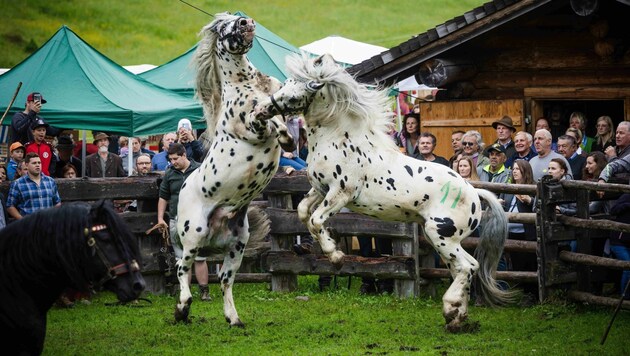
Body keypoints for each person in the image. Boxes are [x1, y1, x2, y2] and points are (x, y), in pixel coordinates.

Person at [157, 143, 210, 301]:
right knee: (182, 258)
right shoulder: (169, 173)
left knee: (200, 257)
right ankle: (185, 291)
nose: (173, 162)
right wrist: (160, 218)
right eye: (170, 159)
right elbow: (163, 196)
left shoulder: (200, 169)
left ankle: (204, 291)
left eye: (175, 158)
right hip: (176, 219)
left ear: (184, 155)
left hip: (198, 218)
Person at [499, 160, 537, 301]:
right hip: (511, 232)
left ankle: (531, 294)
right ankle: (522, 292)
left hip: (527, 233)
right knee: (516, 263)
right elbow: (505, 207)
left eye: (518, 169)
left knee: (529, 264)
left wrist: (530, 201)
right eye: (513, 169)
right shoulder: (509, 189)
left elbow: (540, 207)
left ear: (525, 171)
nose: (514, 171)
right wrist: (499, 204)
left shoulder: (533, 187)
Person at [6, 152, 61, 220]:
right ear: (27, 165)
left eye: (39, 163)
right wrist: (22, 220)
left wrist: (53, 218)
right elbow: (10, 206)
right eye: (34, 163)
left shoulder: (50, 181)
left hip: (48, 224)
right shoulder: (18, 183)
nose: (37, 165)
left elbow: (57, 202)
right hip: (28, 226)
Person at [608, 194, 630, 300]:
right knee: (628, 266)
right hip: (618, 241)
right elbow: (613, 210)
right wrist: (627, 205)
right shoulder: (626, 196)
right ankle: (625, 297)